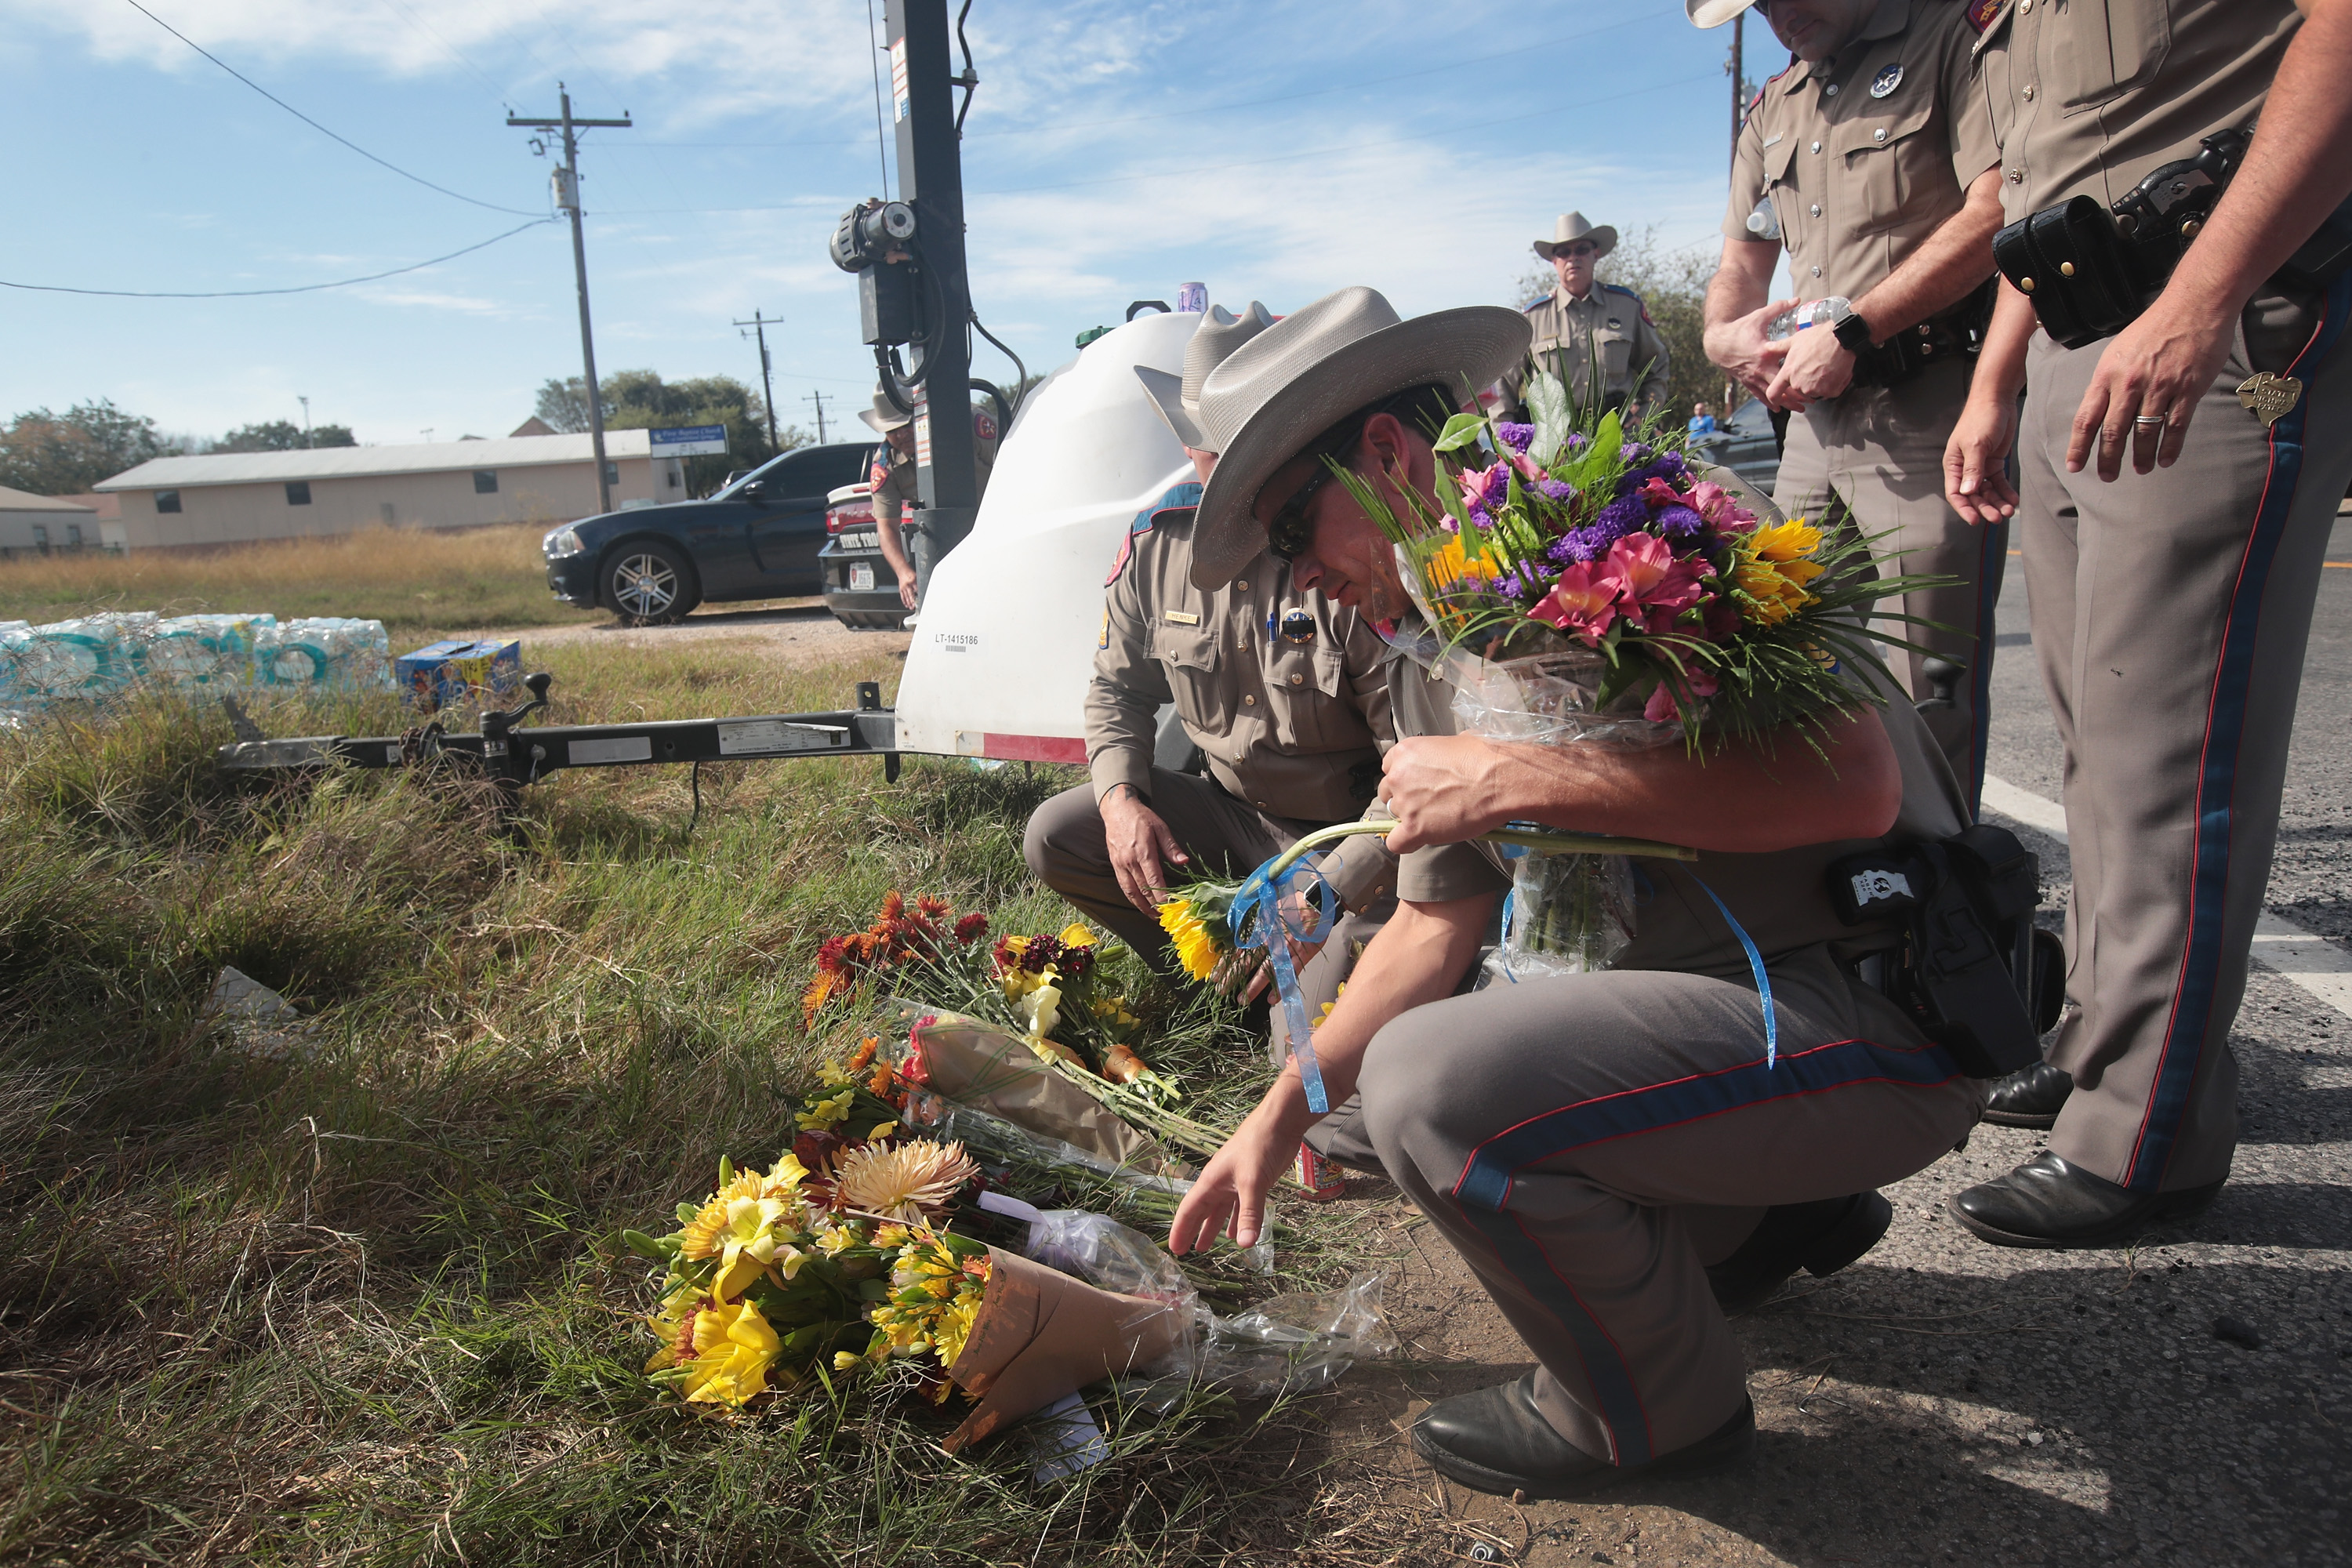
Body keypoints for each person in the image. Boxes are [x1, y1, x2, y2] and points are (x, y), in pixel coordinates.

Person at [1165, 285, 1986, 1497]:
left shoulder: (1659, 520)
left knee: (1431, 1086)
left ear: (1388, 454)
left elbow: (1855, 787)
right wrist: (1270, 1119)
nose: (1301, 580)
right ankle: (1759, 1230)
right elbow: (1434, 928)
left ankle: (1653, 1420)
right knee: (1363, 1096)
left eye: (1296, 529)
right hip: (1715, 1024)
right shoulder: (1446, 646)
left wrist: (1513, 776)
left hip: (1867, 1011)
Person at [1939, 0, 2352, 1243]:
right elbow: (2055, 186)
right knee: (2098, 749)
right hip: (2077, 329)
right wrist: (1995, 381)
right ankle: (2102, 1046)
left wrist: (2198, 300)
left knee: (2172, 745)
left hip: (2216, 318)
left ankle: (2149, 1132)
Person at [1025, 301, 1399, 1005]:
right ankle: (1217, 992)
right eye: (1206, 446)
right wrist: (1121, 800)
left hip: (1344, 838)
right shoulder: (1158, 543)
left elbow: (1409, 768)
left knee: (1311, 1036)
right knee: (1057, 832)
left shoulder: (1344, 546)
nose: (1219, 471)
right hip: (1230, 818)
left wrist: (1334, 881)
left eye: (1241, 450)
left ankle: (1284, 998)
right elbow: (1117, 691)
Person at [1695, 0, 2010, 810]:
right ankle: (1830, 879)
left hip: (1927, 405)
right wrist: (1722, 337)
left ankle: (1944, 896)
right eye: (1759, 6)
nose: (1780, 16)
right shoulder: (1773, 109)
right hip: (1812, 425)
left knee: (1928, 680)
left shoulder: (1949, 39)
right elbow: (1741, 261)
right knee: (1776, 650)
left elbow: (1997, 209)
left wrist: (1859, 327)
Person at [1497, 213, 1671, 423]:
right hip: (1554, 444)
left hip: (1617, 436)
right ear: (1554, 261)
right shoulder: (1533, 317)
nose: (1573, 258)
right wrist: (1508, 440)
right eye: (1563, 252)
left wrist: (1645, 414)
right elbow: (1503, 385)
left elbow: (1656, 364)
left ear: (1596, 254)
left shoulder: (1627, 306)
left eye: (1582, 249)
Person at [858, 387, 998, 613]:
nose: (901, 435)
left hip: (1003, 522)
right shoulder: (886, 466)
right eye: (892, 431)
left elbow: (1019, 466)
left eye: (906, 425)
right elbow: (886, 527)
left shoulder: (971, 423)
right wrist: (904, 572)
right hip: (951, 540)